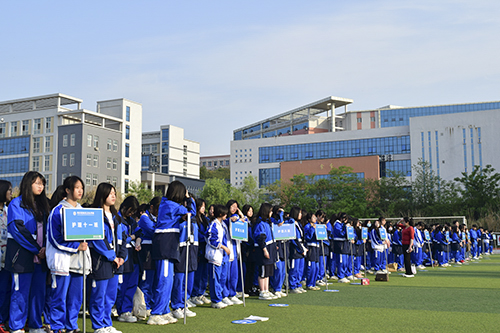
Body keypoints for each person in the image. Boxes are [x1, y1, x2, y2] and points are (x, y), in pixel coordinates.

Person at [5, 172, 50, 333]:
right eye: (37, 183)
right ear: (27, 184)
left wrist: (45, 248)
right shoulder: (16, 204)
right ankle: (16, 326)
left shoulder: (43, 206)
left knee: (38, 294)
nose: (41, 186)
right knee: (20, 293)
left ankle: (35, 325)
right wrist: (37, 249)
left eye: (42, 184)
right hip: (21, 257)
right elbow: (18, 229)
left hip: (41, 257)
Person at [46, 176, 90, 333]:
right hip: (63, 260)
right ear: (68, 190)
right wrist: (75, 246)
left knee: (75, 298)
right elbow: (54, 238)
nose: (80, 191)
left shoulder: (83, 211)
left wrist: (83, 246)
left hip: (79, 262)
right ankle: (57, 326)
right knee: (59, 296)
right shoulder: (58, 211)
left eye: (81, 188)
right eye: (77, 188)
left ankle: (72, 326)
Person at [148, 181, 195, 325]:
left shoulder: (168, 205)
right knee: (164, 279)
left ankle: (163, 311)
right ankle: (156, 313)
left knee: (168, 280)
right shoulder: (171, 205)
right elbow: (191, 213)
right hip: (165, 245)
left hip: (167, 244)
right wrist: (189, 199)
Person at [88, 183, 125, 333]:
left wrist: (122, 256)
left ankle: (107, 324)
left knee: (110, 295)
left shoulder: (116, 217)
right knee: (99, 295)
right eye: (110, 193)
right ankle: (98, 326)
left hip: (115, 262)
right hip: (101, 261)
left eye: (114, 193)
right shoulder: (95, 214)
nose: (113, 196)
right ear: (102, 195)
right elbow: (97, 239)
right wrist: (112, 256)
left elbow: (123, 238)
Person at [115, 196, 140, 323]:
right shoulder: (117, 219)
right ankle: (122, 310)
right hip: (122, 254)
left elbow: (139, 233)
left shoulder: (131, 221)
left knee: (132, 284)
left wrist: (137, 239)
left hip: (133, 255)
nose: (131, 214)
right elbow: (123, 238)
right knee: (122, 285)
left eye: (133, 212)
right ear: (124, 206)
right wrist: (132, 238)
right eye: (130, 211)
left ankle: (127, 309)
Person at [206, 204, 231, 308]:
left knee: (222, 278)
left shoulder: (222, 224)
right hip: (215, 256)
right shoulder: (213, 225)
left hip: (223, 256)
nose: (226, 215)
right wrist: (223, 247)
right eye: (225, 213)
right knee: (215, 279)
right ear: (221, 214)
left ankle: (220, 297)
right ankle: (215, 300)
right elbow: (211, 239)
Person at [190, 198, 211, 305]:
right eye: (202, 206)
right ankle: (194, 294)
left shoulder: (205, 219)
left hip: (205, 247)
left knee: (204, 272)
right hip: (198, 247)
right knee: (197, 272)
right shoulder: (194, 219)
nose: (203, 208)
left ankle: (201, 293)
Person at [0, 180, 12, 333]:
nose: (11, 192)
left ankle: (2, 320)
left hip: (7, 258)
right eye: (8, 189)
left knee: (5, 290)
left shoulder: (9, 211)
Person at [288, 207, 307, 293]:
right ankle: (292, 285)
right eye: (299, 213)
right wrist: (301, 249)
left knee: (300, 269)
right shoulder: (291, 223)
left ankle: (298, 284)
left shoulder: (298, 223)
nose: (301, 215)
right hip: (295, 250)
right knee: (294, 269)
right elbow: (294, 239)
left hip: (301, 248)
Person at [304, 212, 320, 290]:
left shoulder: (317, 225)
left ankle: (313, 283)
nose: (315, 219)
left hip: (317, 247)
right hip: (311, 247)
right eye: (313, 217)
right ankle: (309, 284)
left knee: (316, 267)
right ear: (309, 219)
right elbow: (308, 237)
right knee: (311, 267)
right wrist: (312, 228)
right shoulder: (307, 226)